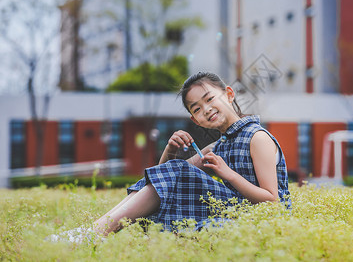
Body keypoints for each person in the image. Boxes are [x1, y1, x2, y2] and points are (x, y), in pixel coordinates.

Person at [51, 72, 290, 241]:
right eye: (196, 108)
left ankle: (94, 234)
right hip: (233, 212)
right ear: (195, 120)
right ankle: (94, 231)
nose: (206, 109)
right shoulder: (220, 146)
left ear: (228, 94)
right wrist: (170, 150)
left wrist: (227, 174)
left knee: (177, 174)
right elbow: (162, 180)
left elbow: (272, 202)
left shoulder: (256, 138)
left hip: (259, 219)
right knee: (173, 172)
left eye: (209, 99)